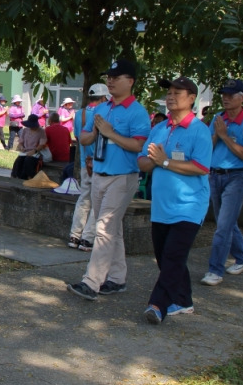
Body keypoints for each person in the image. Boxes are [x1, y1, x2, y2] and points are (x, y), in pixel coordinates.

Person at [67, 59, 150, 301]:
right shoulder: (102, 109)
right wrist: (94, 132)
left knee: (103, 228)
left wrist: (110, 133)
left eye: (116, 77)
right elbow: (83, 138)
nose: (110, 81)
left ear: (130, 81)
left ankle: (91, 282)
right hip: (99, 174)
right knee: (113, 230)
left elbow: (139, 145)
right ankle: (117, 278)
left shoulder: (137, 112)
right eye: (109, 77)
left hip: (122, 177)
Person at [137, 77, 212, 324]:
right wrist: (153, 161)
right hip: (162, 206)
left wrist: (165, 161)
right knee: (165, 256)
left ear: (191, 98)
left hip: (190, 205)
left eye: (177, 92)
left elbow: (201, 167)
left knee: (173, 256)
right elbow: (142, 162)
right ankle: (183, 300)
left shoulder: (199, 130)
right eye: (169, 92)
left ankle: (158, 305)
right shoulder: (159, 128)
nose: (170, 96)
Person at [200, 79, 243, 287]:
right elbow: (206, 147)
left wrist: (225, 136)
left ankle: (215, 270)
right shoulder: (218, 118)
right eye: (224, 94)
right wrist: (217, 135)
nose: (226, 98)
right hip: (215, 174)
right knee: (226, 221)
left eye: (230, 95)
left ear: (242, 98)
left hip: (236, 176)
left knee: (223, 225)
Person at [67, 83, 110, 252]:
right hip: (100, 162)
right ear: (104, 98)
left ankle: (74, 235)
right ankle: (87, 238)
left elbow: (79, 137)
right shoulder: (104, 113)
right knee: (97, 202)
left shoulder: (80, 114)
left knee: (84, 199)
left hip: (85, 162)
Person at [10, 114, 48, 179]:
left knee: (28, 161)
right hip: (25, 151)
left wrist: (34, 151)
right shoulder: (25, 130)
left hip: (35, 152)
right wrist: (21, 147)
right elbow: (21, 142)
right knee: (18, 161)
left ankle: (28, 177)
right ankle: (15, 177)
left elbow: (41, 144)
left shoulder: (41, 131)